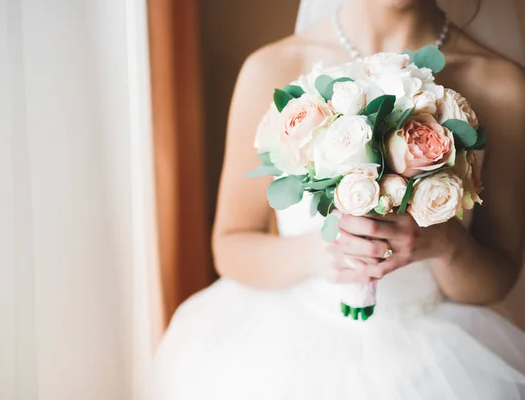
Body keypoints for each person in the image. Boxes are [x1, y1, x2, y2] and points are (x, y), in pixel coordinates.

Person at [153, 0, 525, 398]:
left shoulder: (501, 84)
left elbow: (497, 279)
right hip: (284, 353)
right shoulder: (272, 68)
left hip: (439, 367)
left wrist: (447, 245)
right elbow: (229, 245)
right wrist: (320, 253)